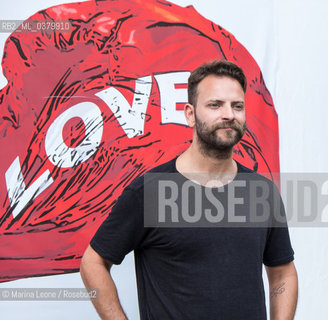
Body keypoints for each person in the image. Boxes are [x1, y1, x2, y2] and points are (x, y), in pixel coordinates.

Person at [80, 60, 298, 319]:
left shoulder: (263, 192)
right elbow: (93, 263)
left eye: (237, 106)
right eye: (215, 105)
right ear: (190, 114)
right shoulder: (150, 192)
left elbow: (283, 271)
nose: (229, 114)